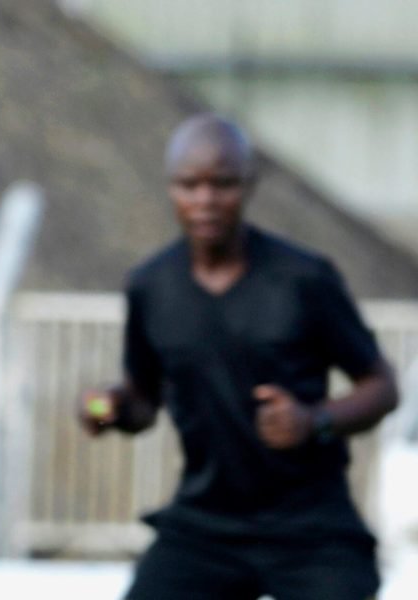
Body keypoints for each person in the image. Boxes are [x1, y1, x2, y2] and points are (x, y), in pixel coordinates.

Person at [79, 114, 400, 600]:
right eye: (190, 185)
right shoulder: (150, 285)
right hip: (205, 525)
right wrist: (112, 406)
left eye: (223, 184)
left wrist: (313, 420)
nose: (205, 200)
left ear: (248, 185)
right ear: (171, 187)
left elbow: (381, 384)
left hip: (311, 527)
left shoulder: (304, 278)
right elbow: (143, 400)